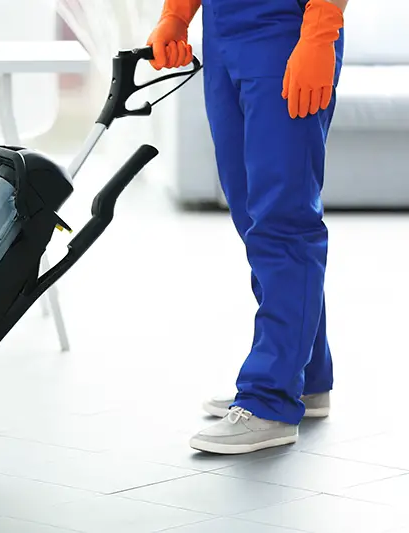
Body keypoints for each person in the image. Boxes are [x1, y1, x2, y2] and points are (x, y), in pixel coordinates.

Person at [145, 0, 347, 454]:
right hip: (224, 35)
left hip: (287, 32)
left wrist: (319, 34)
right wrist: (175, 16)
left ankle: (269, 399)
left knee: (283, 218)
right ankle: (306, 377)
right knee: (252, 215)